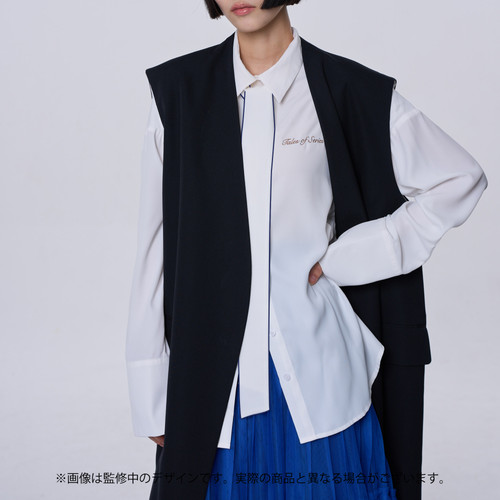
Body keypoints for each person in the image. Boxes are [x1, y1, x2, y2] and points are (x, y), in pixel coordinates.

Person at [125, 1, 488, 499]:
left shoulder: (351, 90)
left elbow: (459, 178)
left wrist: (356, 254)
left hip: (319, 378)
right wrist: (150, 388)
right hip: (213, 384)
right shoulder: (177, 93)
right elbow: (155, 249)